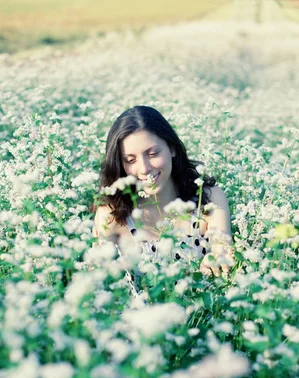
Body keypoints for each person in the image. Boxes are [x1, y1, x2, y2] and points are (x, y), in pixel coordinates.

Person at [93, 105, 234, 277]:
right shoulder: (111, 214)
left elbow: (222, 250)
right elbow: (98, 281)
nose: (144, 168)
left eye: (152, 154)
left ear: (172, 148)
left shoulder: (208, 199)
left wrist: (217, 258)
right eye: (130, 160)